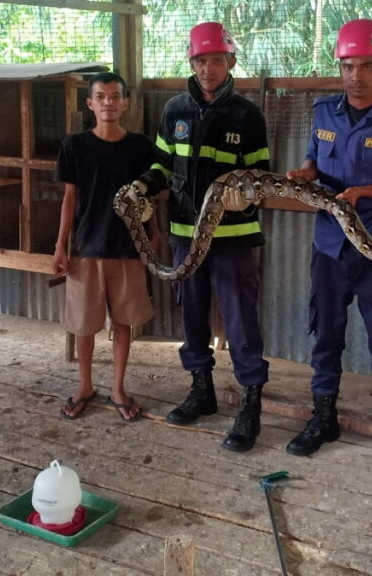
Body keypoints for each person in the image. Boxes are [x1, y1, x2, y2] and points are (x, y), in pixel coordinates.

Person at [285, 19, 372, 481]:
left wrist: (364, 193)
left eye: (366, 65)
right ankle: (323, 420)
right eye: (348, 66)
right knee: (325, 337)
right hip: (328, 247)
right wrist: (304, 174)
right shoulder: (323, 112)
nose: (356, 75)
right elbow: (313, 160)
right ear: (339, 67)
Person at [134, 22, 271, 452]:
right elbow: (161, 165)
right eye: (200, 60)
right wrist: (141, 186)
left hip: (233, 238)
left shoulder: (248, 116)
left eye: (216, 59)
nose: (208, 68)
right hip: (183, 236)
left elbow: (262, 182)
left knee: (240, 321)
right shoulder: (174, 109)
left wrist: (242, 200)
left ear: (230, 61)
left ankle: (251, 403)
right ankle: (202, 390)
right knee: (190, 316)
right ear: (190, 63)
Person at [52, 72, 158, 422]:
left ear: (126, 102)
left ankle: (118, 388)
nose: (108, 103)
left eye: (115, 96)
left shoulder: (142, 146)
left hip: (129, 247)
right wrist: (60, 246)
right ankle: (84, 385)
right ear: (90, 103)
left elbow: (149, 197)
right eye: (101, 97)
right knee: (83, 324)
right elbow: (70, 200)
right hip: (86, 247)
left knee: (124, 322)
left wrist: (153, 235)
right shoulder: (75, 145)